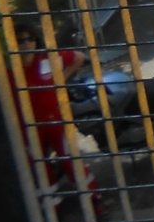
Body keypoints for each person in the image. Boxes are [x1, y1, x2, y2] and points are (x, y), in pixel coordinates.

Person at [11, 21, 101, 210]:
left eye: (30, 39)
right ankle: (53, 211)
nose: (26, 44)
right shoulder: (10, 72)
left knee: (71, 162)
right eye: (20, 40)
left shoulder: (47, 60)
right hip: (29, 128)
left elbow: (78, 57)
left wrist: (60, 79)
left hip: (55, 123)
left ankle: (94, 202)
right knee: (39, 170)